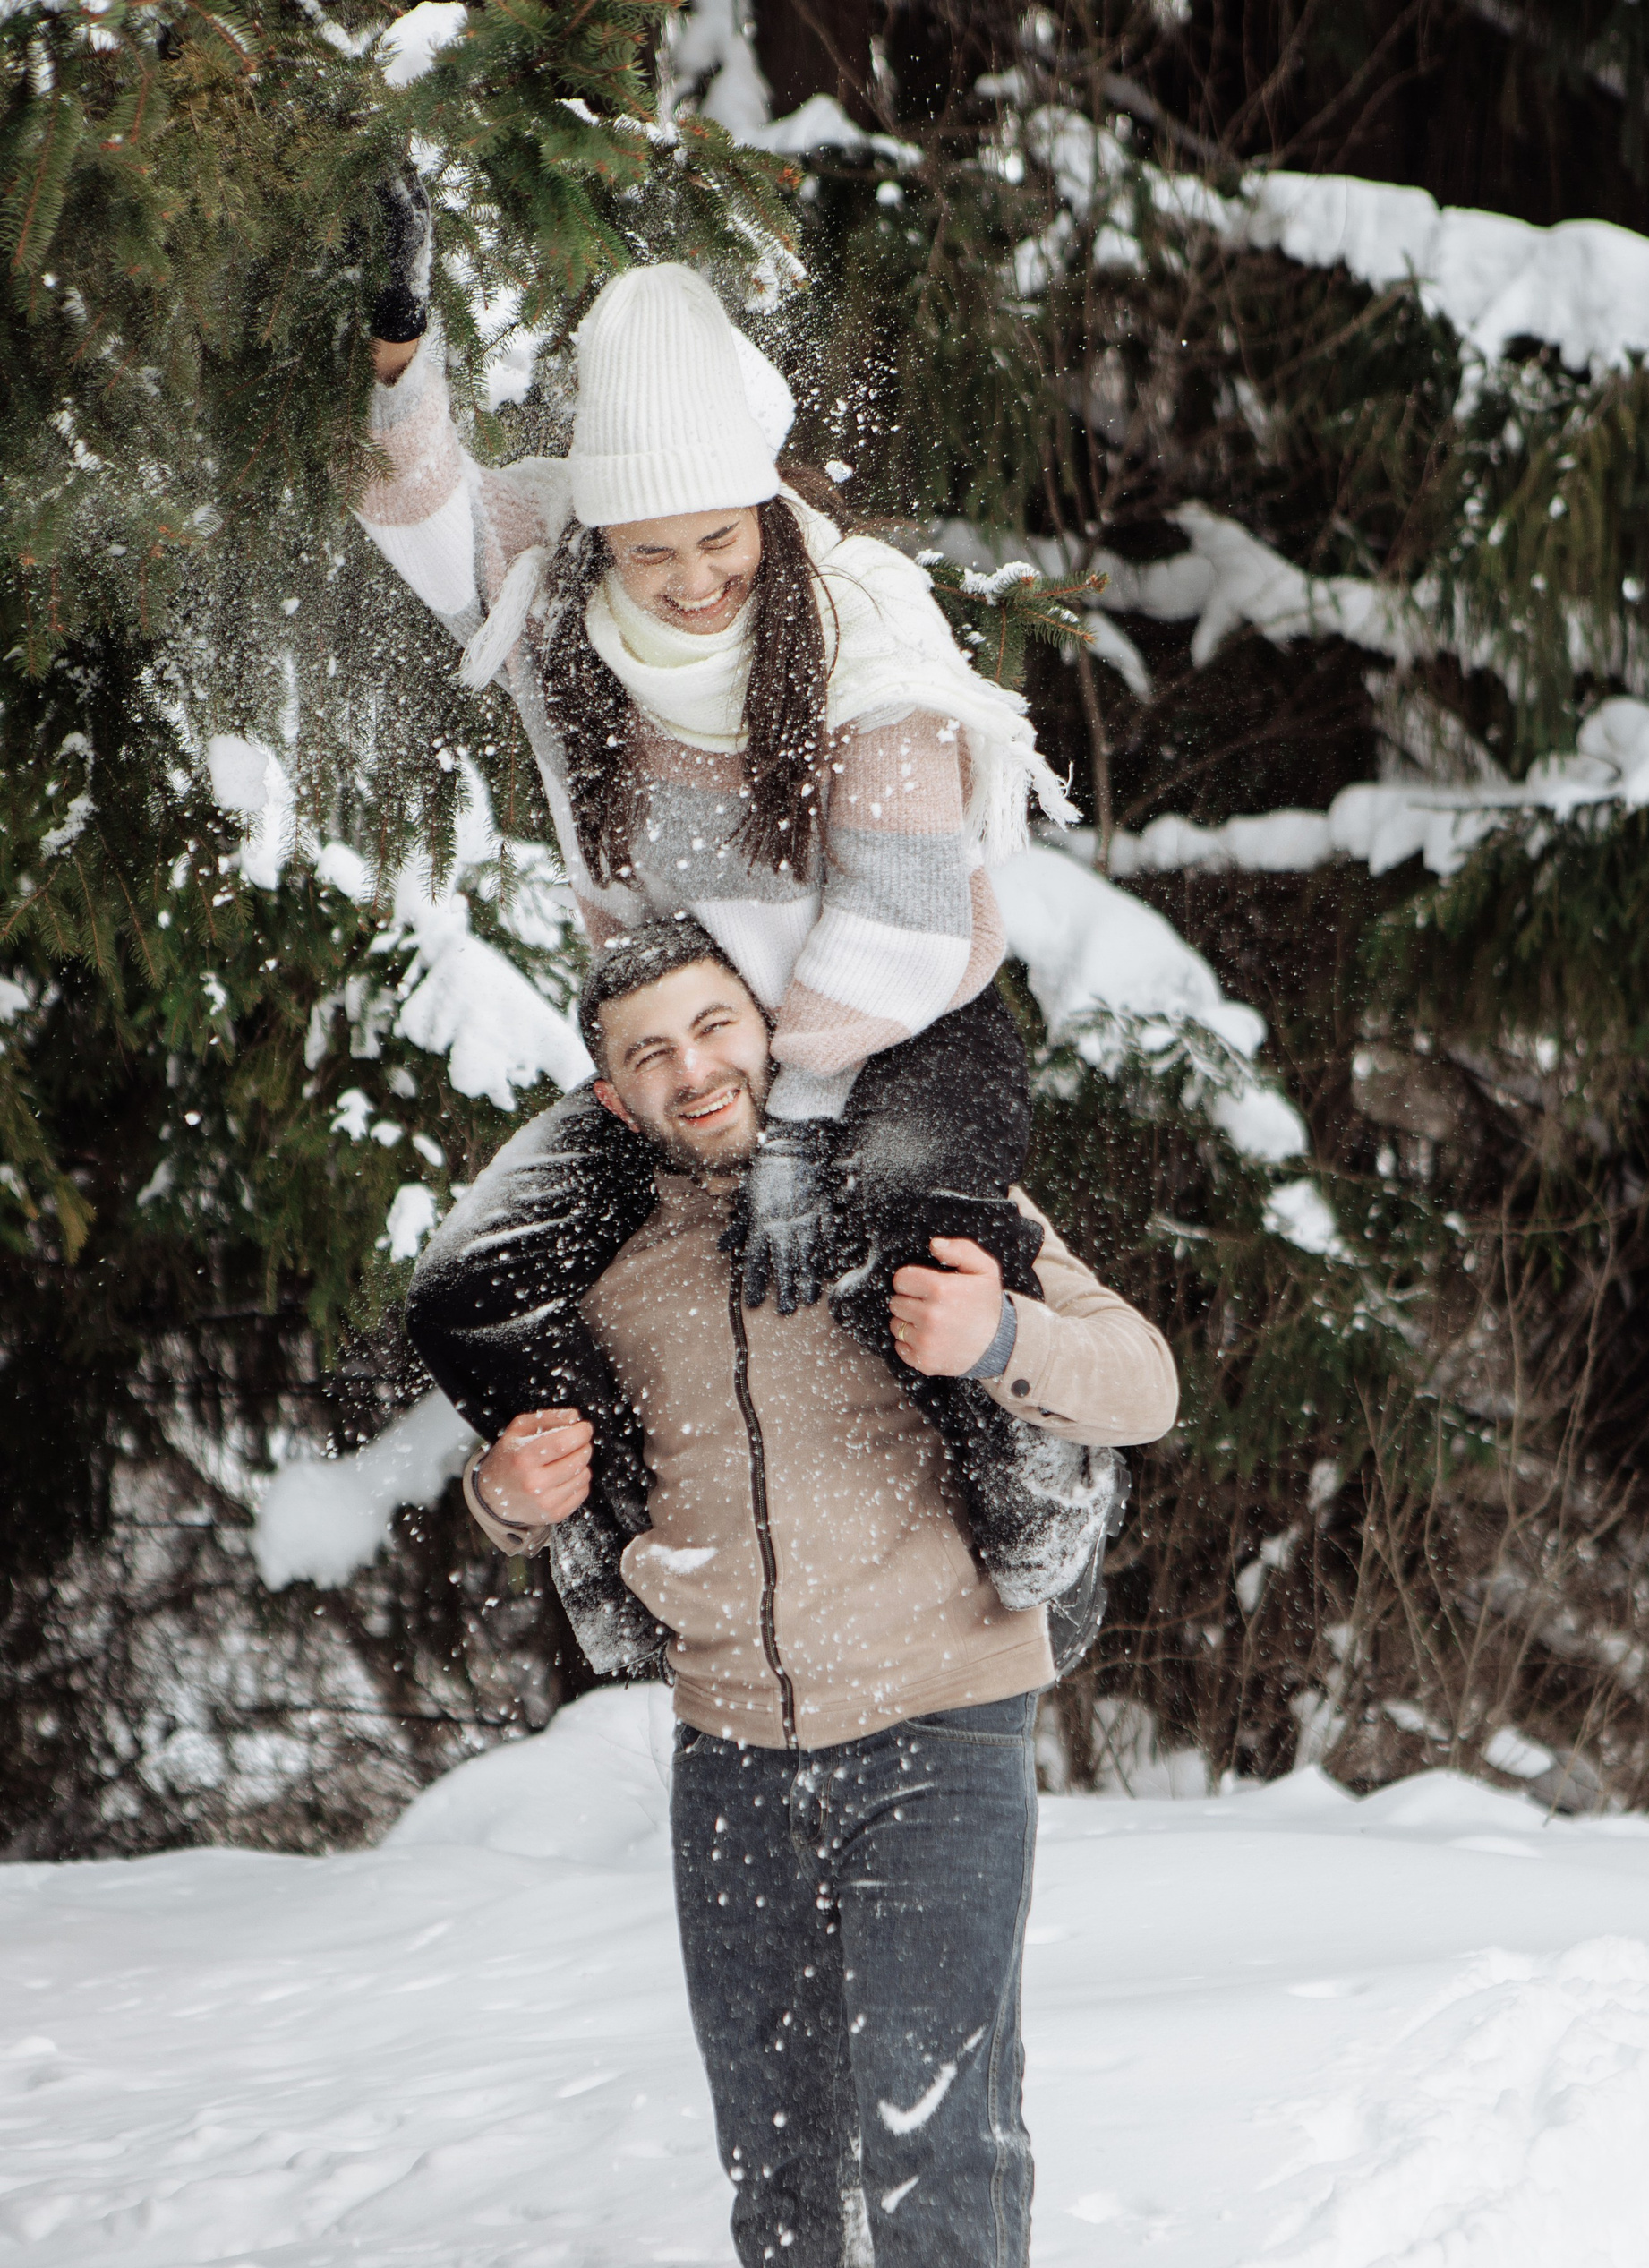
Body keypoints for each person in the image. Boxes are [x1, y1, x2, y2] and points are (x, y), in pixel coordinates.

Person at [353, 186, 1109, 1654]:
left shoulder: (862, 633)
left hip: (898, 1031)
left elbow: (900, 918)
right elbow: (426, 516)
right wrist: (401, 346)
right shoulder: (552, 589)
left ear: (764, 506)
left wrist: (803, 1131)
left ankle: (1043, 1530)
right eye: (653, 553)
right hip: (694, 1046)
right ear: (599, 538)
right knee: (469, 1287)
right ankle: (624, 1578)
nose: (695, 581)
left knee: (909, 1239)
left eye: (721, 539)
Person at [457, 920, 1179, 2268]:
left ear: (771, 1028)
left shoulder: (901, 1190)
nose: (693, 1068)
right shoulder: (605, 1265)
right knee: (775, 2142)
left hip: (940, 1710)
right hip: (728, 1740)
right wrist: (504, 1499)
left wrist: (1000, 1334)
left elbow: (1144, 1386)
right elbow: (537, 1477)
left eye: (714, 1025)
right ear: (612, 1094)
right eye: (650, 1051)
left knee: (936, 2108)